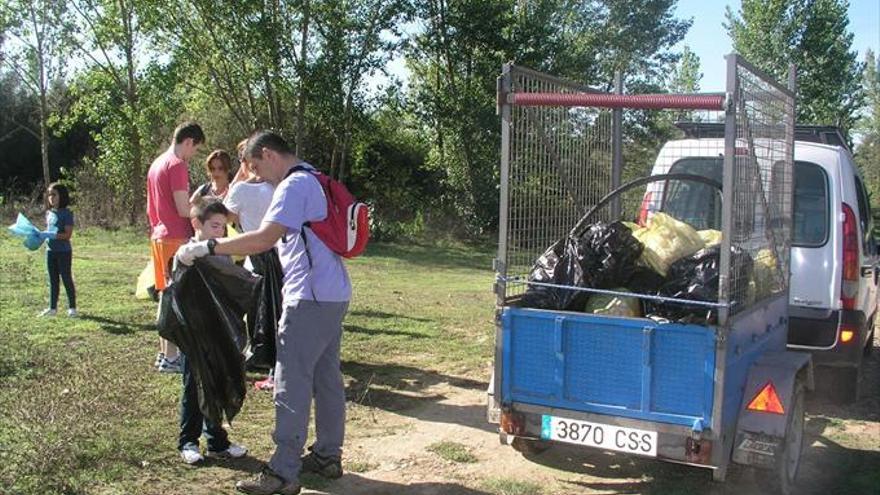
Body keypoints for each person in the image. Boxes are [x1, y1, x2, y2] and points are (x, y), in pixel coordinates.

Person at [177, 131, 351, 495]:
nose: (256, 175)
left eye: (255, 167)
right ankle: (327, 455)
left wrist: (208, 246)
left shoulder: (291, 186)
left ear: (269, 155)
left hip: (309, 297)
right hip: (333, 293)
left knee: (291, 382)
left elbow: (262, 239)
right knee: (326, 376)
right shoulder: (314, 177)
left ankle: (283, 472)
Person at [175, 198, 248, 465]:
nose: (220, 232)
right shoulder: (188, 252)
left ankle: (217, 442)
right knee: (194, 388)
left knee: (217, 386)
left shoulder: (223, 251)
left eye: (223, 227)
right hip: (194, 335)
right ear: (197, 224)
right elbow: (183, 263)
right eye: (215, 226)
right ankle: (188, 441)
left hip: (219, 334)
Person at [147, 121, 205, 374]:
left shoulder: (157, 163)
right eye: (195, 149)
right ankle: (172, 357)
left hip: (159, 236)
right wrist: (207, 207)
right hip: (175, 238)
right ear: (188, 142)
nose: (193, 155)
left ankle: (165, 354)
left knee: (165, 296)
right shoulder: (177, 165)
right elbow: (183, 209)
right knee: (178, 299)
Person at [224, 139, 278, 390]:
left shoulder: (240, 190)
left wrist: (237, 179)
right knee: (273, 307)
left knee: (259, 307)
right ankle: (268, 353)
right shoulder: (277, 185)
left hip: (257, 254)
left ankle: (262, 352)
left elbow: (226, 217)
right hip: (275, 253)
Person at [39, 182, 77, 317]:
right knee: (53, 279)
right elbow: (48, 230)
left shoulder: (67, 214)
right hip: (50, 251)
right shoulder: (49, 213)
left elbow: (68, 234)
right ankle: (52, 308)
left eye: (54, 194)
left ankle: (72, 308)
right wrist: (40, 236)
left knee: (66, 278)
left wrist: (53, 235)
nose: (51, 197)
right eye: (49, 194)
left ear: (62, 196)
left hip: (63, 252)